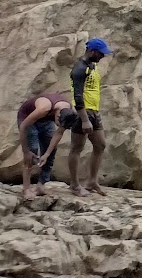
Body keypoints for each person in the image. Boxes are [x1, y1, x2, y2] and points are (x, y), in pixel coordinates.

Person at [65, 38, 111, 195]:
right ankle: (74, 185)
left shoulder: (93, 66)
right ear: (92, 52)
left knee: (101, 145)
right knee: (77, 147)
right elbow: (78, 96)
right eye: (101, 54)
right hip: (82, 113)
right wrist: (84, 119)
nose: (103, 56)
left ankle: (92, 181)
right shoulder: (79, 69)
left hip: (94, 111)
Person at [16, 95, 62, 197]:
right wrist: (26, 151)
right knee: (32, 150)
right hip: (28, 119)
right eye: (58, 122)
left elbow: (58, 134)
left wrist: (47, 153)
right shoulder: (44, 108)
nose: (58, 125)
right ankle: (26, 189)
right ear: (57, 115)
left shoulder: (68, 112)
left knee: (51, 150)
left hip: (46, 120)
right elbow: (24, 126)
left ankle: (41, 185)